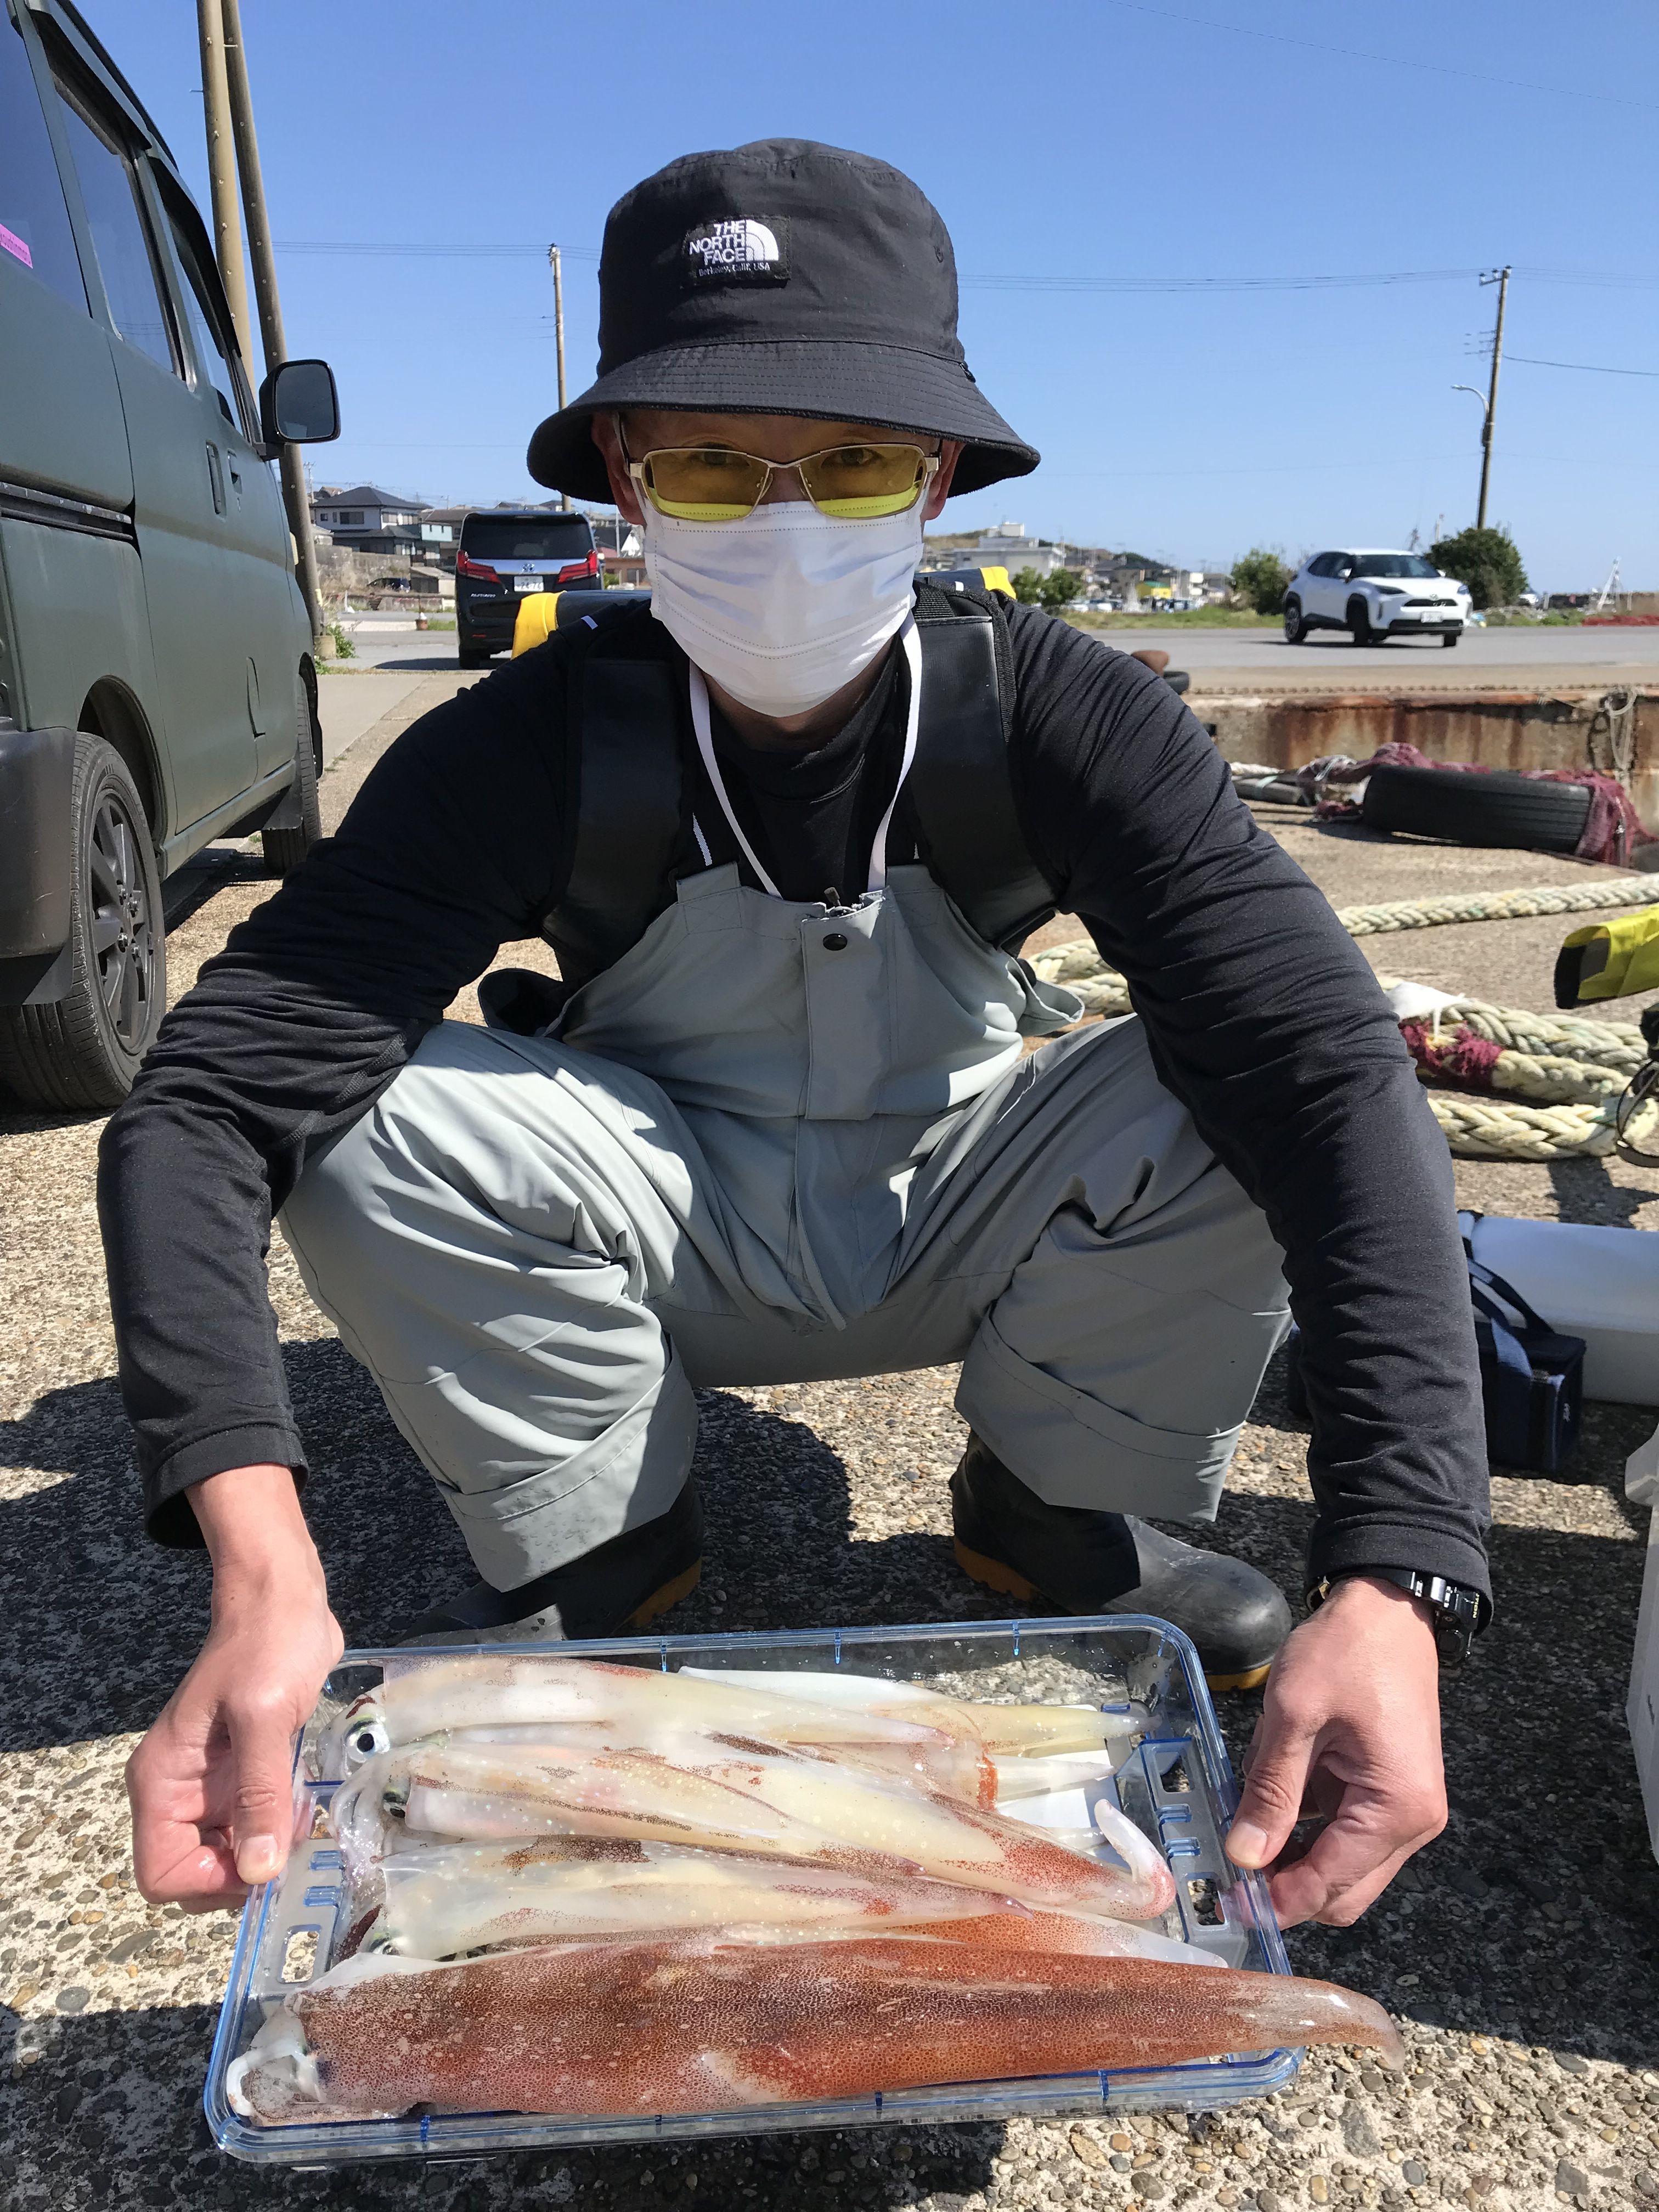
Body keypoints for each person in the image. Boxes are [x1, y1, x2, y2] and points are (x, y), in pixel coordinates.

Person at [101, 140, 1489, 1932]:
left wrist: (1401, 1573)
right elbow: (204, 1108)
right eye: (707, 466)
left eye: (849, 466)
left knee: (1243, 1080)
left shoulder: (1063, 717)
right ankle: (608, 1530)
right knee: (354, 1116)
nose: (783, 523)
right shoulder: (524, 745)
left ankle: (1056, 1505)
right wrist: (261, 1567)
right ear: (625, 474)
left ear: (936, 479)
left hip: (970, 1200)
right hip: (670, 1224)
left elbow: (1328, 1078)